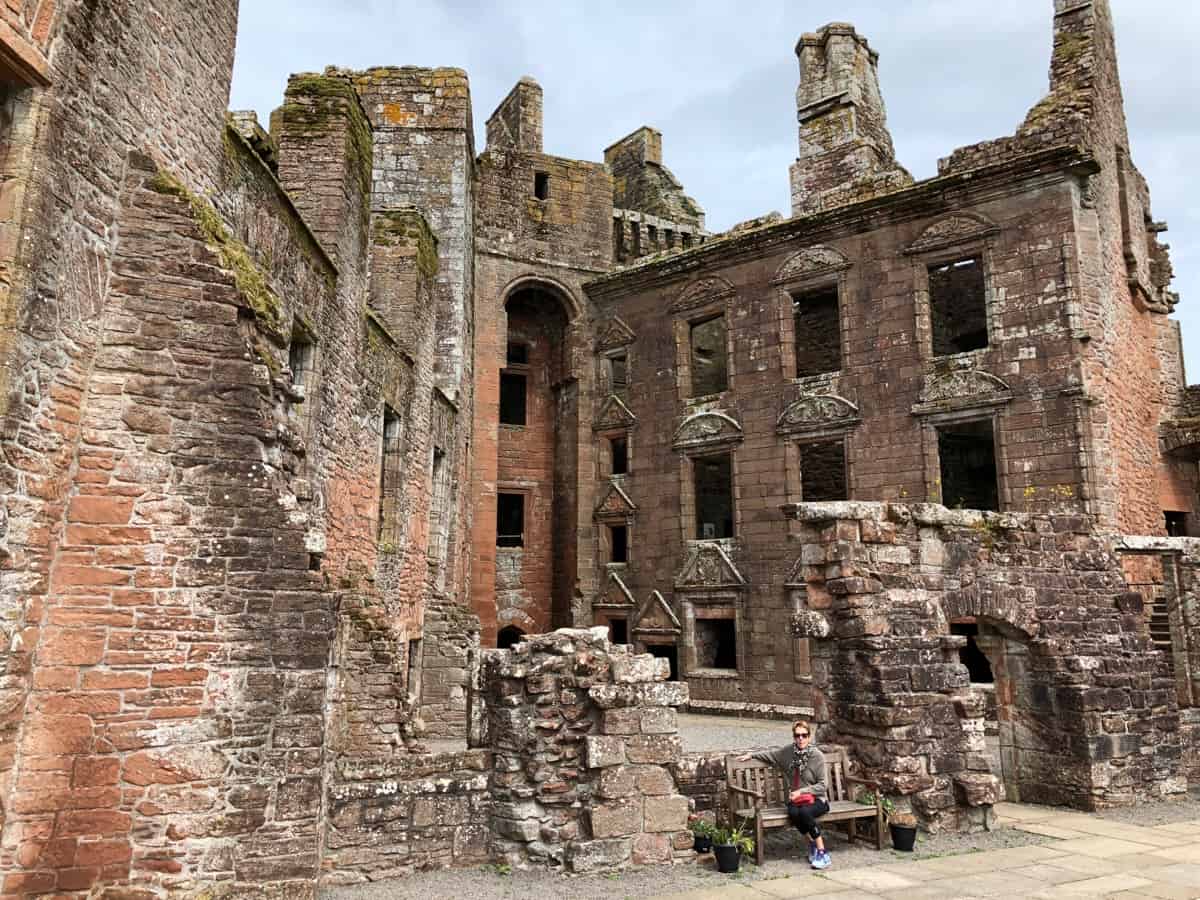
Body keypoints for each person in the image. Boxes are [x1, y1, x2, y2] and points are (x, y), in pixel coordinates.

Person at [738, 720, 831, 869]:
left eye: (804, 735)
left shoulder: (817, 756)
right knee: (793, 813)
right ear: (794, 737)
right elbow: (770, 755)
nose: (801, 739)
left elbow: (823, 785)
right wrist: (751, 755)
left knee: (805, 813)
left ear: (809, 736)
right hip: (796, 801)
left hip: (817, 800)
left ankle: (822, 852)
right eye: (797, 735)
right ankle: (813, 844)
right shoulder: (788, 753)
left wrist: (801, 791)